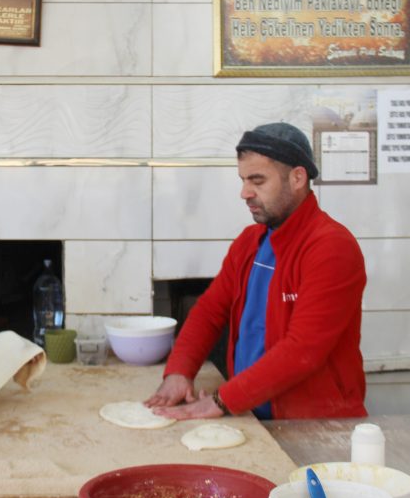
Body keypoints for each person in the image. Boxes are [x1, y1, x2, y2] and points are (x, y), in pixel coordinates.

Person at [145, 122, 367, 420]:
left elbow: (303, 350)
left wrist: (221, 401)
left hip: (314, 424)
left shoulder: (331, 247)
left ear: (298, 178)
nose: (245, 192)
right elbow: (210, 310)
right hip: (251, 413)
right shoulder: (250, 242)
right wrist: (179, 371)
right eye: (243, 180)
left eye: (258, 181)